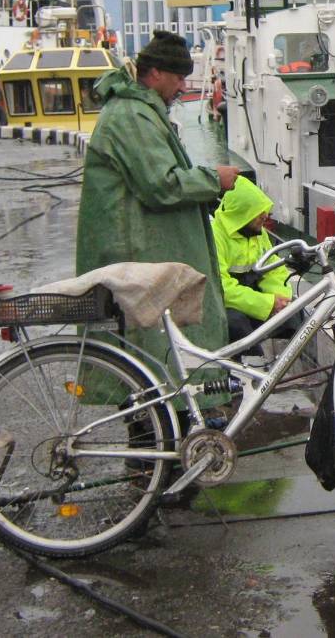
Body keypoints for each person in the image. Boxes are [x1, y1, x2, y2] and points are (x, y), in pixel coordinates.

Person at [76, 29, 239, 400]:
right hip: (136, 251)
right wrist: (214, 179)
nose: (182, 86)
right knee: (147, 347)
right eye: (178, 77)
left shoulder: (138, 111)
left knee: (154, 348)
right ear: (155, 74)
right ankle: (158, 424)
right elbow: (161, 184)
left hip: (142, 249)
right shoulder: (132, 115)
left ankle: (163, 419)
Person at [211, 176, 294, 346]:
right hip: (226, 303)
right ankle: (247, 359)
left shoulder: (257, 233)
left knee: (294, 315)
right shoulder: (215, 237)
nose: (265, 216)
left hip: (251, 297)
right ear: (242, 213)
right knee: (236, 323)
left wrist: (281, 297)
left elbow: (274, 269)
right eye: (258, 212)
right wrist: (267, 303)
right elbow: (222, 289)